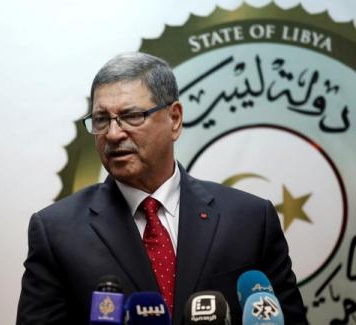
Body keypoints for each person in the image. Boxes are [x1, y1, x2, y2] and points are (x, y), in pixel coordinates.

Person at [16, 52, 308, 324]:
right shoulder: (56, 231)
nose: (114, 134)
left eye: (131, 115)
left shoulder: (251, 219)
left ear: (175, 119)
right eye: (101, 119)